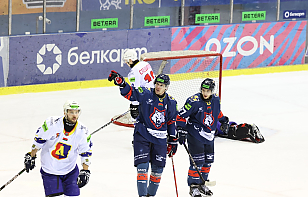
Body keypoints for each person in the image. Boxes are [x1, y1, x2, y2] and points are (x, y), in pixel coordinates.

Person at [108, 70, 178, 197]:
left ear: (166, 88)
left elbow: (171, 122)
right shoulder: (145, 93)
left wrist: (173, 139)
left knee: (157, 171)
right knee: (142, 167)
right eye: (157, 84)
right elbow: (131, 93)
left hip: (160, 139)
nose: (158, 87)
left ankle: (150, 195)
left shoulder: (172, 102)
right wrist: (122, 83)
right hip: (143, 134)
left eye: (161, 85)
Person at [23, 100, 93, 197]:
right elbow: (39, 140)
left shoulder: (82, 131)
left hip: (70, 171)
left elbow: (85, 152)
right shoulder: (52, 124)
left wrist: (85, 170)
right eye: (71, 112)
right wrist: (31, 155)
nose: (74, 115)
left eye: (76, 112)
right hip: (50, 171)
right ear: (65, 112)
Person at [176, 78, 229, 197]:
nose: (205, 93)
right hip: (195, 135)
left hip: (209, 135)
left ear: (212, 91)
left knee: (208, 161)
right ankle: (193, 186)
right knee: (197, 162)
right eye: (203, 90)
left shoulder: (215, 99)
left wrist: (223, 120)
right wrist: (180, 129)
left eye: (208, 91)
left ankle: (202, 183)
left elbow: (217, 112)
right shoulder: (193, 101)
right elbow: (181, 115)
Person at [123, 48, 155, 121]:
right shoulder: (146, 63)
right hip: (155, 93)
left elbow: (136, 91)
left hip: (147, 99)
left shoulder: (132, 73)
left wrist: (134, 106)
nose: (127, 64)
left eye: (127, 62)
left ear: (130, 60)